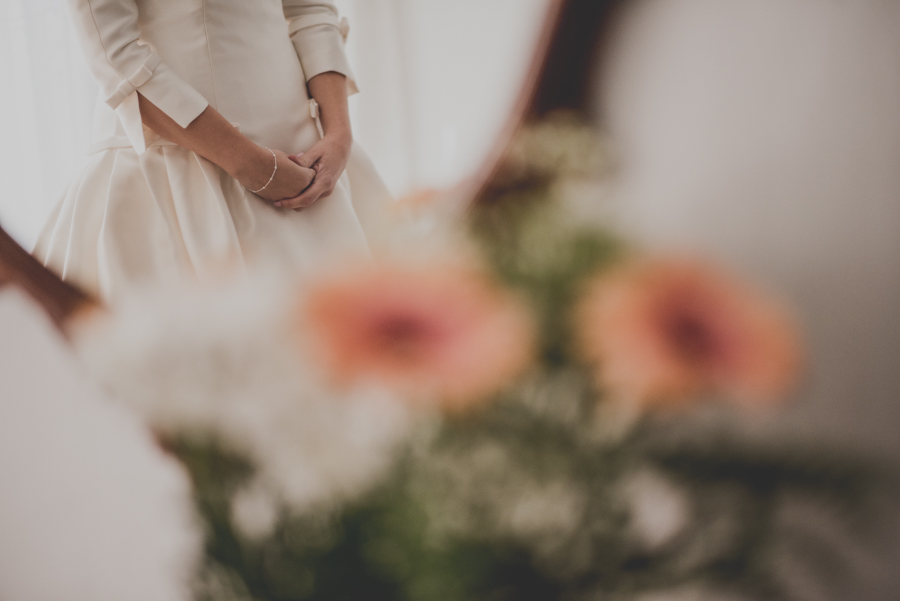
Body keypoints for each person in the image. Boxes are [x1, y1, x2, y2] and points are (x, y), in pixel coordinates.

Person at [34, 0, 393, 302]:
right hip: (178, 171)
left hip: (315, 168)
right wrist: (249, 164)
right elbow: (116, 57)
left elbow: (311, 10)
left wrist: (339, 136)